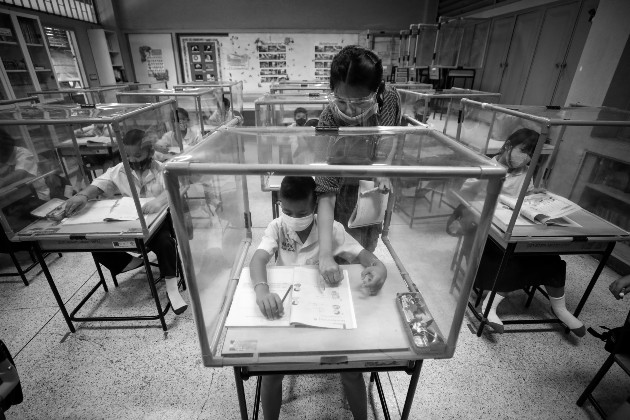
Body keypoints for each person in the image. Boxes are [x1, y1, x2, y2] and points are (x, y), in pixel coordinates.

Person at [250, 176, 387, 420]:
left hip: (325, 310)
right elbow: (258, 259)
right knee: (270, 373)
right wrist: (261, 289)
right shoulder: (277, 227)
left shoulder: (331, 229)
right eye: (286, 210)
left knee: (352, 371)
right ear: (279, 204)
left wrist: (379, 268)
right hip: (289, 310)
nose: (293, 216)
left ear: (316, 206)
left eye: (301, 211)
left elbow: (364, 255)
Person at [449, 128, 584, 336]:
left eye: (531, 154)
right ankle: (490, 304)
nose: (525, 158)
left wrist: (535, 197)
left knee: (550, 257)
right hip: (484, 232)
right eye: (523, 150)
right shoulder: (485, 166)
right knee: (510, 259)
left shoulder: (525, 173)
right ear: (508, 145)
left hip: (514, 231)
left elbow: (524, 198)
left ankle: (560, 308)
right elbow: (465, 199)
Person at [64, 128, 187, 315]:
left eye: (138, 155)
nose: (134, 160)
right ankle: (132, 263)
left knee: (165, 242)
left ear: (150, 152)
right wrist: (82, 195)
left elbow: (176, 187)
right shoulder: (119, 171)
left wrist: (159, 201)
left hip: (155, 224)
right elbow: (99, 184)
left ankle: (172, 289)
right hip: (128, 222)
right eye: (129, 155)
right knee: (95, 241)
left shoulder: (161, 169)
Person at [315, 45, 402, 286]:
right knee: (339, 246)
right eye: (342, 101)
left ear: (376, 92)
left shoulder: (389, 98)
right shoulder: (329, 120)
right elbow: (325, 189)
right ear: (332, 90)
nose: (351, 110)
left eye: (360, 102)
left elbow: (388, 136)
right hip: (340, 190)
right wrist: (324, 255)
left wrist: (383, 169)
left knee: (366, 243)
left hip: (370, 190)